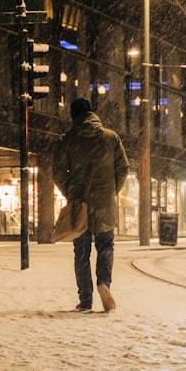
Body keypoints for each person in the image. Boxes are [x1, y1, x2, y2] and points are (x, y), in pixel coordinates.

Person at [53, 98, 130, 312]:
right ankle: (103, 282)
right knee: (106, 245)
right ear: (92, 113)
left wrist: (71, 193)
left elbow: (58, 173)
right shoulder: (111, 138)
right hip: (105, 203)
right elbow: (123, 169)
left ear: (74, 116)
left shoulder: (67, 140)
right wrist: (110, 192)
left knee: (81, 251)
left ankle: (85, 299)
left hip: (80, 204)